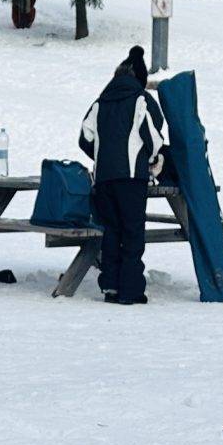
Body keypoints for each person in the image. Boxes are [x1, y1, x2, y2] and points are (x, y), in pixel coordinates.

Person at [78, 48, 170, 305]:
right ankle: (130, 290)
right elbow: (153, 138)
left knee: (111, 232)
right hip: (131, 178)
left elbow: (85, 139)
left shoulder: (100, 102)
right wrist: (149, 159)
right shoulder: (140, 100)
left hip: (104, 178)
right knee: (132, 233)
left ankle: (111, 287)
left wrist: (101, 155)